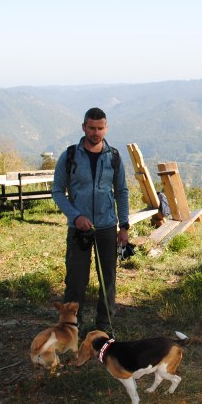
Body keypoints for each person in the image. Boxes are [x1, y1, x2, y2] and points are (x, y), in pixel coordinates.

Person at [51, 107, 130, 335]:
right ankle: (72, 325)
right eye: (92, 128)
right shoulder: (70, 156)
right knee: (76, 279)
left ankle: (104, 325)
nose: (96, 132)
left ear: (106, 128)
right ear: (83, 127)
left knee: (108, 278)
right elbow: (57, 191)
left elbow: (121, 192)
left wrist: (123, 226)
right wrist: (76, 216)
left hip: (107, 226)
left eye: (100, 128)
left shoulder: (113, 156)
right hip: (79, 229)